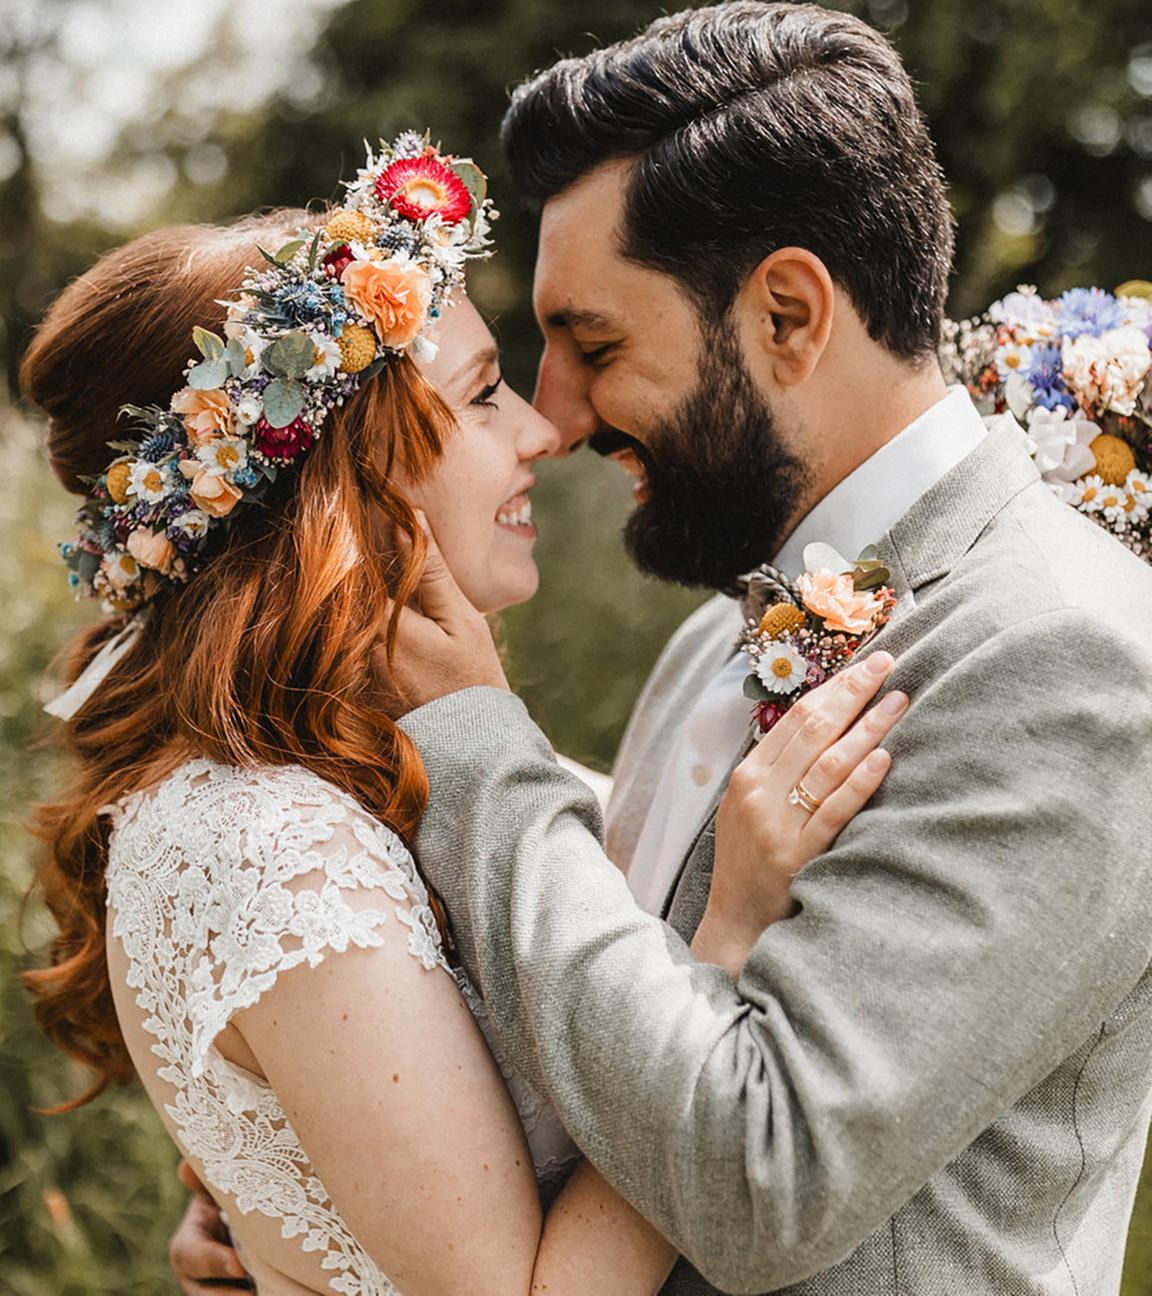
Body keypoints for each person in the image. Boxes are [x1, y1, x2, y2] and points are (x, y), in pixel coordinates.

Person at [350, 5, 1152, 1295]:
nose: (552, 417)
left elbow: (754, 1182)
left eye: (595, 345)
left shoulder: (1068, 662)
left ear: (787, 311)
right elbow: (621, 1029)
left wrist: (481, 755)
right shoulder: (706, 646)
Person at [23, 134, 902, 1294]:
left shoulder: (355, 774)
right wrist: (725, 937)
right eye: (483, 395)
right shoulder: (271, 846)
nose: (540, 431)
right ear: (342, 472)